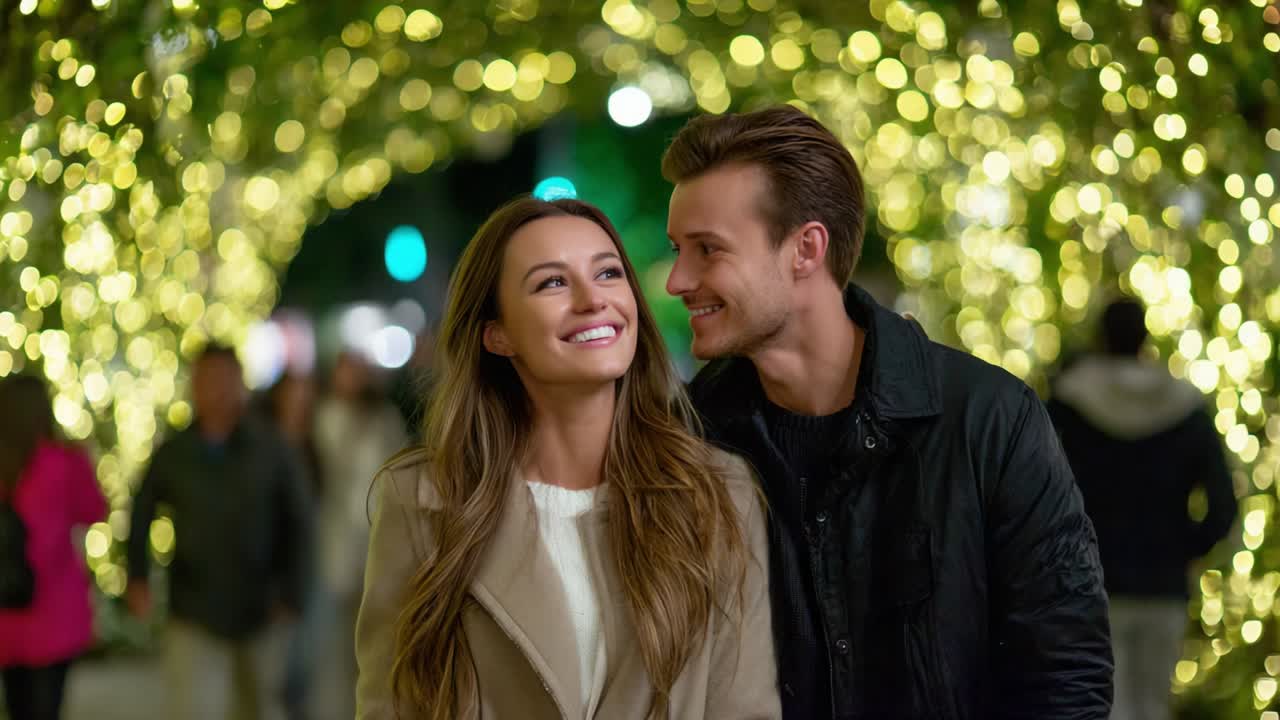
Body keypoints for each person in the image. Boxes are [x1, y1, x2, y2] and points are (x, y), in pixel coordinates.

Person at [662, 105, 1113, 719]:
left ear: (806, 248)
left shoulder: (988, 420)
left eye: (707, 250)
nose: (677, 280)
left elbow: (1067, 681)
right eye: (677, 249)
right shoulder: (688, 437)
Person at [355, 197, 779, 720]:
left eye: (607, 273)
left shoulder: (720, 494)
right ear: (497, 333)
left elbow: (745, 708)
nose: (592, 299)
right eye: (551, 283)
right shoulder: (423, 502)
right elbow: (390, 707)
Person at [1048, 297, 1236, 720]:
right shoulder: (1184, 406)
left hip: (1092, 581)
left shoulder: (1070, 403)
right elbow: (1223, 505)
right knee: (1153, 705)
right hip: (1163, 584)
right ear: (1145, 338)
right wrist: (1183, 549)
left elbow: (1037, 489)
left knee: (1103, 705)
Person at [126, 344, 314, 720]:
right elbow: (142, 509)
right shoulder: (176, 451)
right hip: (195, 608)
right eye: (205, 380)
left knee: (260, 706)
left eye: (223, 380)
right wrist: (137, 576)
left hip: (261, 607)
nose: (214, 390)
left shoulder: (268, 446)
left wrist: (293, 592)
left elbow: (299, 521)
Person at [0, 373, 107, 720]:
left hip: (7, 617)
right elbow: (94, 510)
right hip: (54, 615)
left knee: (18, 707)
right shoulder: (64, 461)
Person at [312, 351, 407, 720]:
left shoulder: (384, 420)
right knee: (332, 648)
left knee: (375, 645)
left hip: (376, 543)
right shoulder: (323, 417)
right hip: (332, 547)